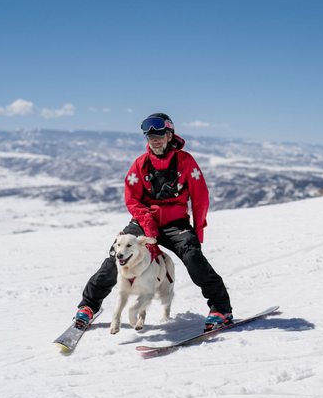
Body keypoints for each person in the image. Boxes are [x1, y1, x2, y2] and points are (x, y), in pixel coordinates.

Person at [75, 113, 232, 331]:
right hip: (144, 223)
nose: (155, 140)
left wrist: (198, 232)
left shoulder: (186, 162)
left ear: (170, 135)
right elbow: (132, 200)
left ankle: (221, 308)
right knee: (115, 258)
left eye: (159, 134)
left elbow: (200, 198)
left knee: (193, 257)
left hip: (176, 223)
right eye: (150, 136)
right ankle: (89, 306)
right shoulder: (140, 164)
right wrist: (148, 227)